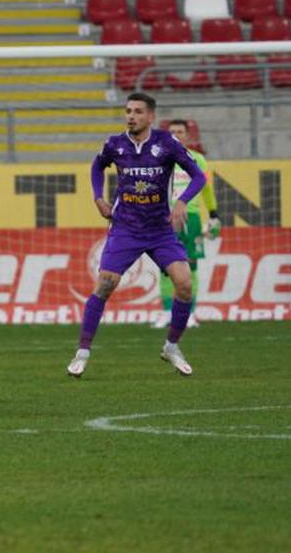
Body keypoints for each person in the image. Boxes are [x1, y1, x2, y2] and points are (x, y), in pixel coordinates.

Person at [67, 93, 206, 379]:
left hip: (160, 230)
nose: (131, 116)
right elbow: (96, 166)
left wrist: (181, 202)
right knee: (105, 284)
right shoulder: (114, 144)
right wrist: (97, 197)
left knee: (184, 284)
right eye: (128, 111)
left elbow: (199, 176)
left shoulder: (166, 143)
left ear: (151, 116)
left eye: (138, 111)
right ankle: (82, 352)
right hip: (125, 228)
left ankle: (172, 346)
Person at [153, 119, 220, 329]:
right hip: (163, 218)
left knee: (190, 267)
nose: (176, 134)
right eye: (172, 131)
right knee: (164, 267)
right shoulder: (157, 158)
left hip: (190, 218)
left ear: (187, 136)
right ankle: (166, 312)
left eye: (180, 131)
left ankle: (189, 314)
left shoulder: (198, 159)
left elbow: (207, 189)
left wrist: (213, 214)